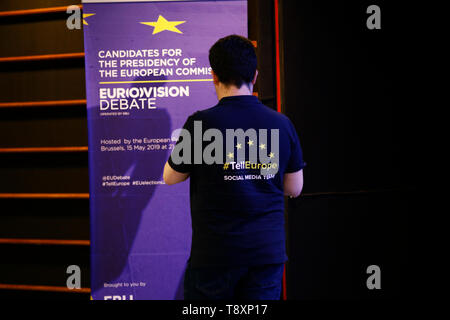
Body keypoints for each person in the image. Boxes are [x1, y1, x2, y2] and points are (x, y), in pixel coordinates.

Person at [163, 34, 305, 300]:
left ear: (213, 76)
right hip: (266, 253)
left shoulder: (200, 124)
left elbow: (170, 177)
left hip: (215, 254)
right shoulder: (281, 124)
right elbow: (294, 187)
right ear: (255, 75)